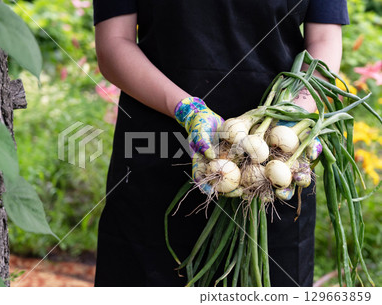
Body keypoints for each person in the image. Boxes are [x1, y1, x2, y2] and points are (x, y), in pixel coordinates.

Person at [92, 0, 349, 287]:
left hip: (273, 165)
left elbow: (325, 40)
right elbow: (114, 42)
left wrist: (294, 113)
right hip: (158, 153)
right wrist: (187, 110)